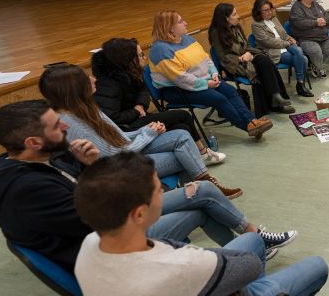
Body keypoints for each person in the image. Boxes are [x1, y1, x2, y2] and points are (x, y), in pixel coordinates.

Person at [0, 100, 296, 272]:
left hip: (105, 231)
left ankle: (253, 253)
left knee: (203, 192)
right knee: (201, 196)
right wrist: (140, 193)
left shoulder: (31, 163)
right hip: (109, 252)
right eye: (56, 125)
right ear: (33, 142)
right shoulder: (28, 189)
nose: (65, 125)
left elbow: (85, 203)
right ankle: (252, 254)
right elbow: (98, 220)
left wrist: (88, 169)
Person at [73, 151, 328, 296]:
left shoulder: (89, 247)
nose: (163, 188)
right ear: (139, 214)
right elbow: (249, 268)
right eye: (157, 188)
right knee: (317, 266)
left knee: (254, 241)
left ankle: (243, 274)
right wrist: (227, 280)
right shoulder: (185, 265)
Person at [39, 63, 242, 199]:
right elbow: (111, 155)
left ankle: (196, 191)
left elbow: (119, 136)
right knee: (183, 155)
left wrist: (145, 129)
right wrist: (148, 134)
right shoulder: (69, 120)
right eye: (87, 78)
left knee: (181, 135)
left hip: (127, 152)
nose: (93, 79)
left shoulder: (87, 106)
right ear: (74, 87)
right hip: (118, 168)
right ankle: (199, 192)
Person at [92, 37, 226, 165]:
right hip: (127, 128)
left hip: (137, 117)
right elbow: (111, 119)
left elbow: (143, 91)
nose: (143, 58)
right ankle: (203, 154)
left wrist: (139, 105)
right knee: (183, 115)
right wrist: (136, 112)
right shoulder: (108, 84)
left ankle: (197, 157)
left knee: (182, 128)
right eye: (140, 55)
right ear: (128, 59)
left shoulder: (128, 72)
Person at [148, 10, 272, 139]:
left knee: (230, 91)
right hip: (176, 90)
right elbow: (181, 78)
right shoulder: (160, 50)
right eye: (180, 21)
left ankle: (252, 121)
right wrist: (206, 84)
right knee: (218, 98)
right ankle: (248, 126)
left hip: (202, 80)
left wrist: (214, 74)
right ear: (169, 28)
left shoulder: (187, 39)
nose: (185, 23)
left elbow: (206, 59)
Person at [209, 2, 295, 115]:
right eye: (234, 14)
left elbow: (245, 45)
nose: (238, 16)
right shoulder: (216, 33)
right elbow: (223, 57)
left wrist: (250, 53)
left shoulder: (236, 27)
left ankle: (276, 97)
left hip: (246, 56)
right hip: (234, 65)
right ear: (225, 18)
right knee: (261, 69)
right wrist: (241, 58)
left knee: (265, 60)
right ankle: (273, 104)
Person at [250, 0, 313, 97]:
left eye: (270, 9)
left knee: (298, 50)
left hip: (285, 45)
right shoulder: (256, 25)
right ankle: (300, 85)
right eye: (266, 10)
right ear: (258, 12)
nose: (269, 12)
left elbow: (284, 34)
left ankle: (300, 84)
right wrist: (287, 43)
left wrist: (290, 38)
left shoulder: (274, 19)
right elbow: (269, 42)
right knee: (304, 59)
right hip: (273, 51)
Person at [288, 0, 329, 78]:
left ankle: (315, 65)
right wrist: (316, 22)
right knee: (316, 52)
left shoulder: (315, 4)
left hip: (323, 36)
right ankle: (319, 68)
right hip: (306, 39)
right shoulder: (296, 8)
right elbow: (299, 23)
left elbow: (326, 14)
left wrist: (324, 21)